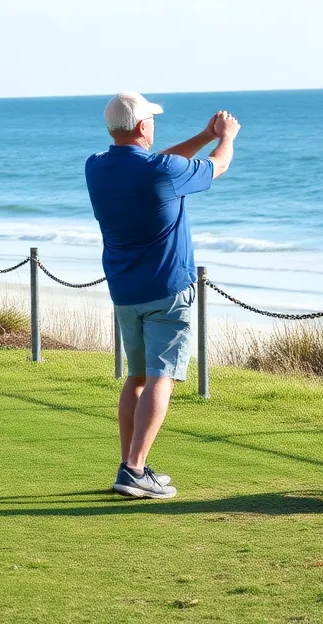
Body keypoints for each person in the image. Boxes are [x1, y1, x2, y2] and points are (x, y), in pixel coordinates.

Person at [85, 91, 240, 499]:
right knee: (161, 376)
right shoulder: (164, 171)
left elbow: (158, 163)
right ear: (141, 127)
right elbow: (219, 165)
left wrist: (202, 135)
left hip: (125, 290)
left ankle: (129, 466)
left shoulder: (97, 167)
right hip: (167, 290)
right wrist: (225, 136)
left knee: (136, 377)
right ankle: (134, 469)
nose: (154, 125)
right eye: (150, 120)